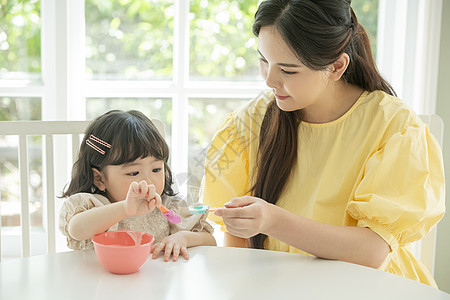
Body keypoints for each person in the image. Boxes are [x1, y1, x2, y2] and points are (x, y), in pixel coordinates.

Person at [201, 0, 445, 287]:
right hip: (275, 286)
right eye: (264, 60)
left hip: (369, 287)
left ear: (337, 66)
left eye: (288, 70)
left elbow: (372, 251)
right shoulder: (252, 121)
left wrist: (272, 220)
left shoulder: (393, 126)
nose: (269, 80)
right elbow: (236, 239)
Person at [59, 110, 216, 262]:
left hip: (154, 284)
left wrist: (183, 237)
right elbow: (76, 230)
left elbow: (210, 241)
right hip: (102, 284)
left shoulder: (168, 208)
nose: (148, 182)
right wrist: (125, 208)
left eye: (156, 169)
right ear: (99, 179)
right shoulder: (95, 206)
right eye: (134, 173)